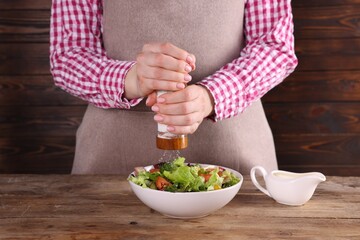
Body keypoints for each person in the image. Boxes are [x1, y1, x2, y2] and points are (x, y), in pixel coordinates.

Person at [50, 0, 298, 175]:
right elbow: (68, 56)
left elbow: (274, 45)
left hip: (235, 149)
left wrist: (212, 96)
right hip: (112, 155)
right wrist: (131, 80)